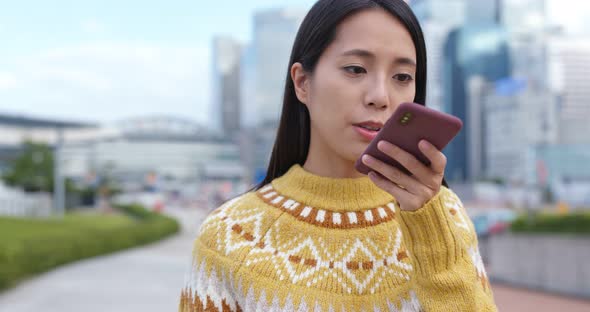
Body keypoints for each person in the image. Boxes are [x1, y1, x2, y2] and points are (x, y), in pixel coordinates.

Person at [179, 0, 497, 311]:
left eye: (402, 77)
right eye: (355, 69)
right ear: (302, 83)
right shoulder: (230, 235)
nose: (380, 97)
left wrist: (429, 224)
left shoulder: (445, 216)